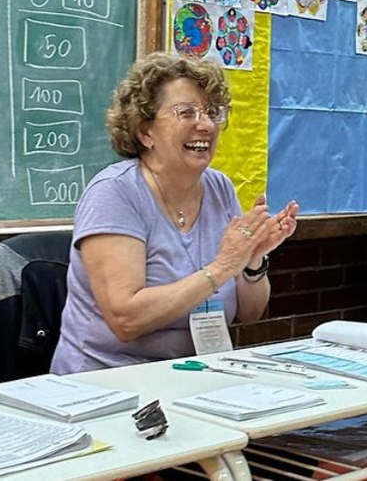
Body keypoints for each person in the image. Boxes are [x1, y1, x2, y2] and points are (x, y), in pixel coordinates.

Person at [51, 53, 299, 372]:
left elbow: (250, 315)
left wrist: (252, 263)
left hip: (199, 374)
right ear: (145, 132)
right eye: (186, 112)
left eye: (212, 112)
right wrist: (223, 267)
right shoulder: (114, 192)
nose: (206, 124)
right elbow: (126, 319)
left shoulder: (220, 188)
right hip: (108, 380)